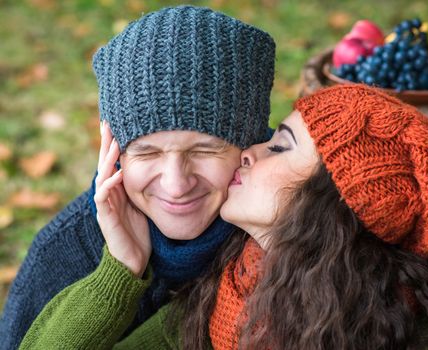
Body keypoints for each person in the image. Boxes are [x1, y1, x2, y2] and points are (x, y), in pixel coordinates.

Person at [20, 84, 428, 349]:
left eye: (279, 146)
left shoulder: (412, 333)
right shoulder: (232, 289)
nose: (249, 152)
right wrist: (120, 272)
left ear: (334, 203)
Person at [0, 6, 275, 350]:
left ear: (249, 147)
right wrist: (118, 272)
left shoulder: (286, 231)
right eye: (147, 152)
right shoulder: (61, 252)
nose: (176, 184)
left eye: (205, 150)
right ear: (115, 156)